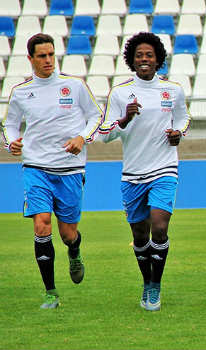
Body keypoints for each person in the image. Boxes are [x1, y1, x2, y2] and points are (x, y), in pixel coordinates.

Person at [1, 33, 103, 308]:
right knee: (41, 223)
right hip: (36, 167)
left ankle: (75, 250)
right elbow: (9, 125)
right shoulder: (21, 92)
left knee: (68, 233)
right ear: (31, 59)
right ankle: (51, 293)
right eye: (42, 56)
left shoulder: (74, 85)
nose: (48, 60)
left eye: (51, 55)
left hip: (70, 169)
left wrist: (82, 137)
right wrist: (12, 142)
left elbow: (96, 116)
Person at [98, 32, 191, 311]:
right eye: (139, 55)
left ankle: (155, 287)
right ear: (131, 59)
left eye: (149, 55)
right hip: (132, 174)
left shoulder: (172, 90)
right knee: (140, 236)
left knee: (159, 229)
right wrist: (124, 118)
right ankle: (146, 281)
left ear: (158, 59)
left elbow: (184, 119)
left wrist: (178, 134)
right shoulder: (120, 93)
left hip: (164, 169)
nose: (144, 59)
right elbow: (104, 134)